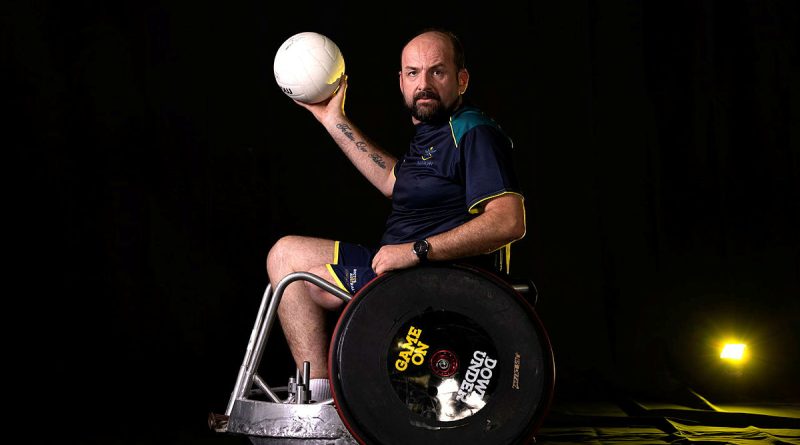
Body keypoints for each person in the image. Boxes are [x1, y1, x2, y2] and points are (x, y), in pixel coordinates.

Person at [266, 29, 526, 401]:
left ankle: (320, 404)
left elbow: (508, 221)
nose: (424, 84)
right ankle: (322, 400)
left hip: (427, 285)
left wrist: (415, 251)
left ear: (461, 79)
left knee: (299, 281)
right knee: (285, 253)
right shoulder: (432, 134)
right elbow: (394, 181)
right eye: (413, 73)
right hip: (402, 270)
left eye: (437, 72)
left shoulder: (474, 133)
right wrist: (331, 120)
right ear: (401, 82)